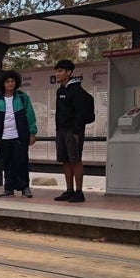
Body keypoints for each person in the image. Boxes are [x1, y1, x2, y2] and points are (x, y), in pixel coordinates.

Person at [0, 70, 38, 198]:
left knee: (22, 162)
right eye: (7, 81)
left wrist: (32, 133)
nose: (10, 83)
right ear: (3, 83)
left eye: (12, 81)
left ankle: (25, 187)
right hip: (2, 137)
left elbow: (30, 116)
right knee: (7, 163)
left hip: (20, 136)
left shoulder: (22, 97)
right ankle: (8, 188)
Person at [53, 59, 91, 203]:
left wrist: (76, 131)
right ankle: (69, 190)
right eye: (56, 71)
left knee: (75, 160)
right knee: (65, 160)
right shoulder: (60, 90)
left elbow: (80, 113)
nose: (57, 73)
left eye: (60, 71)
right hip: (61, 130)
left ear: (69, 72)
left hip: (73, 131)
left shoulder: (76, 90)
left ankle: (79, 192)